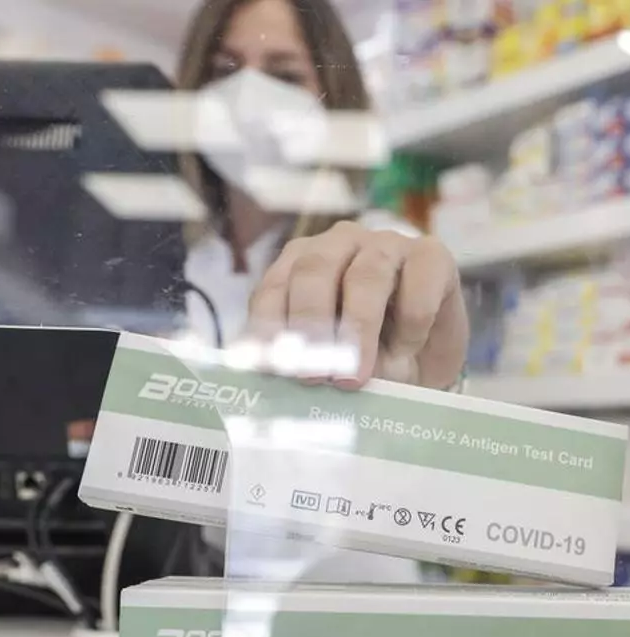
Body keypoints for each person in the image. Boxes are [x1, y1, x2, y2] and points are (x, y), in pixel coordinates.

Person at [176, 0, 469, 582]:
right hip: (177, 602)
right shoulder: (159, 263)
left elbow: (437, 400)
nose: (249, 99)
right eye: (225, 70)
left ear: (334, 101)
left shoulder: (376, 252)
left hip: (351, 602)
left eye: (285, 77)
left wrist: (427, 355)